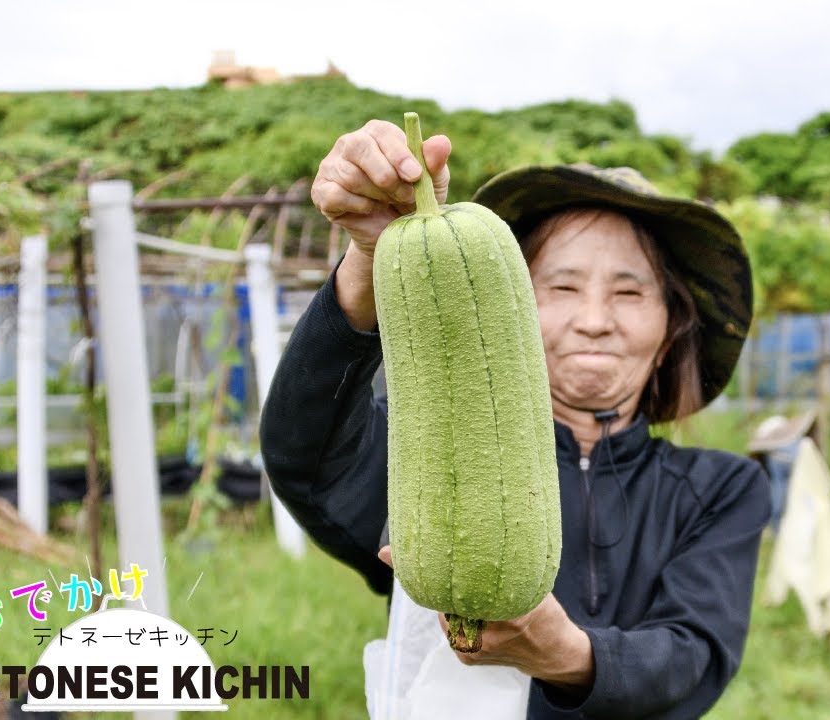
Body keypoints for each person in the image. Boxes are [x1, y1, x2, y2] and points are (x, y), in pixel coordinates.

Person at [259, 119, 771, 719]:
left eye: (629, 293)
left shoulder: (721, 489)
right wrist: (368, 262)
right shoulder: (432, 455)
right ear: (509, 307)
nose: (595, 319)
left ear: (671, 329)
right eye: (561, 287)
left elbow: (695, 659)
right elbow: (306, 456)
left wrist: (568, 656)